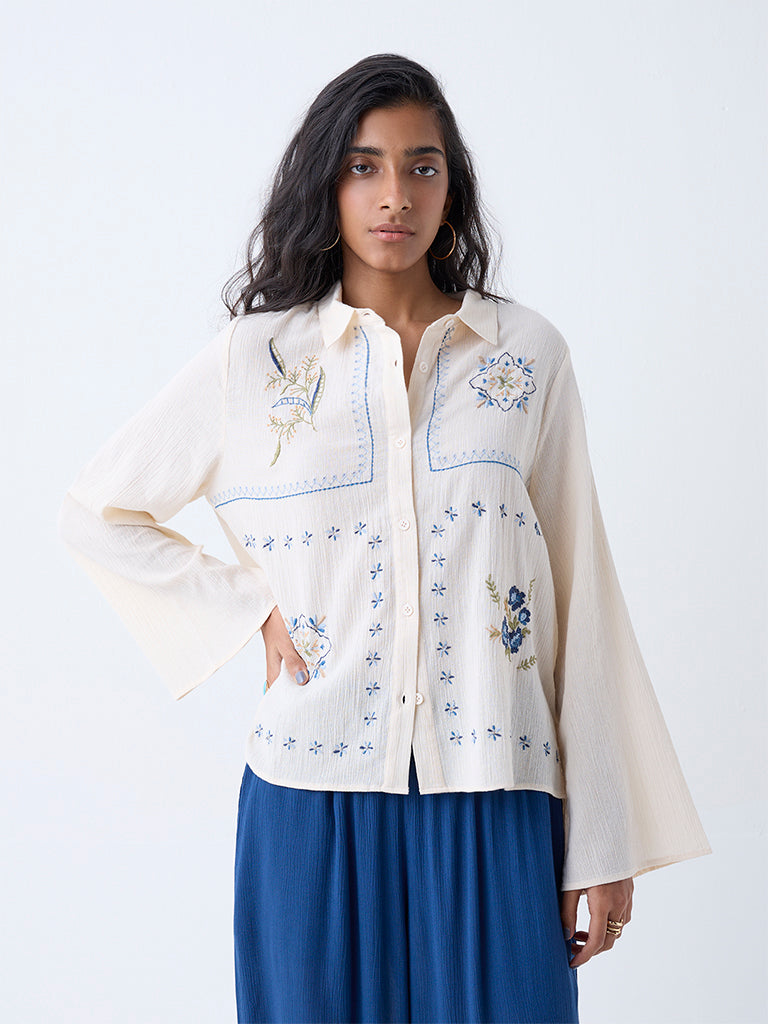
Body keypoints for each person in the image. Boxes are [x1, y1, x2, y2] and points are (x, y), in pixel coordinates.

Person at [58, 53, 711, 1024]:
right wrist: (249, 611)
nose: (395, 194)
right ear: (327, 184)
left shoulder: (527, 357)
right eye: (364, 167)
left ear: (453, 187)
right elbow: (99, 511)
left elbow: (585, 600)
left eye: (421, 166)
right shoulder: (257, 360)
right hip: (310, 798)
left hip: (496, 797)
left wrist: (604, 839)